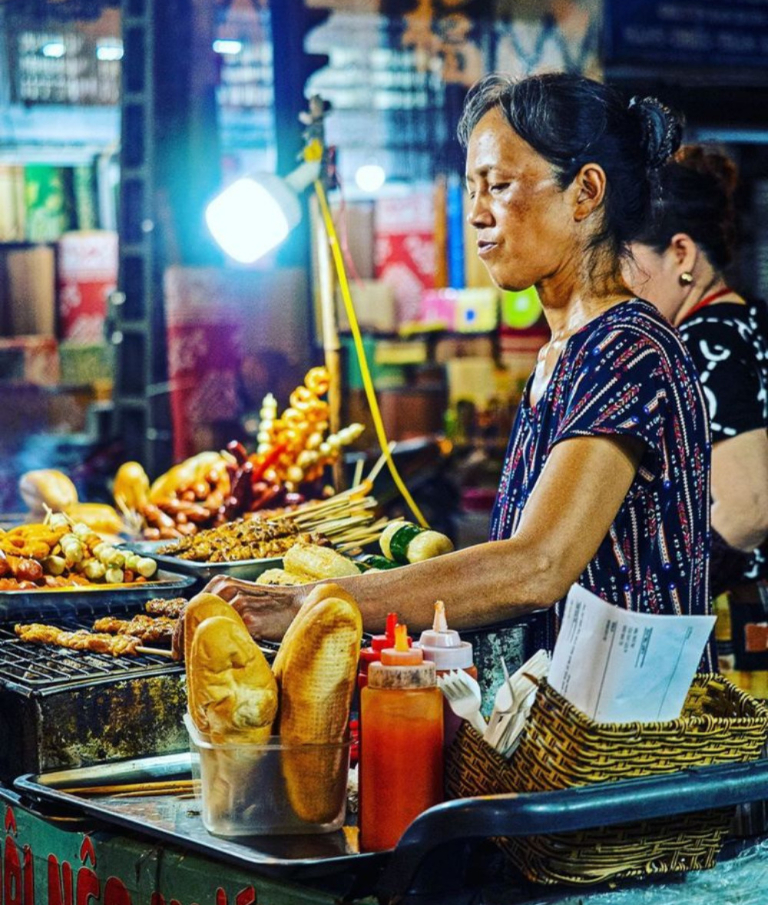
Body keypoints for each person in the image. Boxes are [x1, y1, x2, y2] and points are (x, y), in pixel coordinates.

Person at [205, 72, 713, 673]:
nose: (477, 214)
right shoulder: (564, 352)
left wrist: (313, 601)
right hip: (558, 729)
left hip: (630, 744)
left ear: (585, 192)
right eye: (472, 189)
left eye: (498, 186)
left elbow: (536, 566)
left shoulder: (627, 350)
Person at [626, 146, 768, 598]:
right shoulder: (748, 319)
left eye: (627, 265)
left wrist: (660, 600)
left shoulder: (705, 343)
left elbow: (749, 510)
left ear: (681, 254)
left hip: (745, 630)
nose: (620, 286)